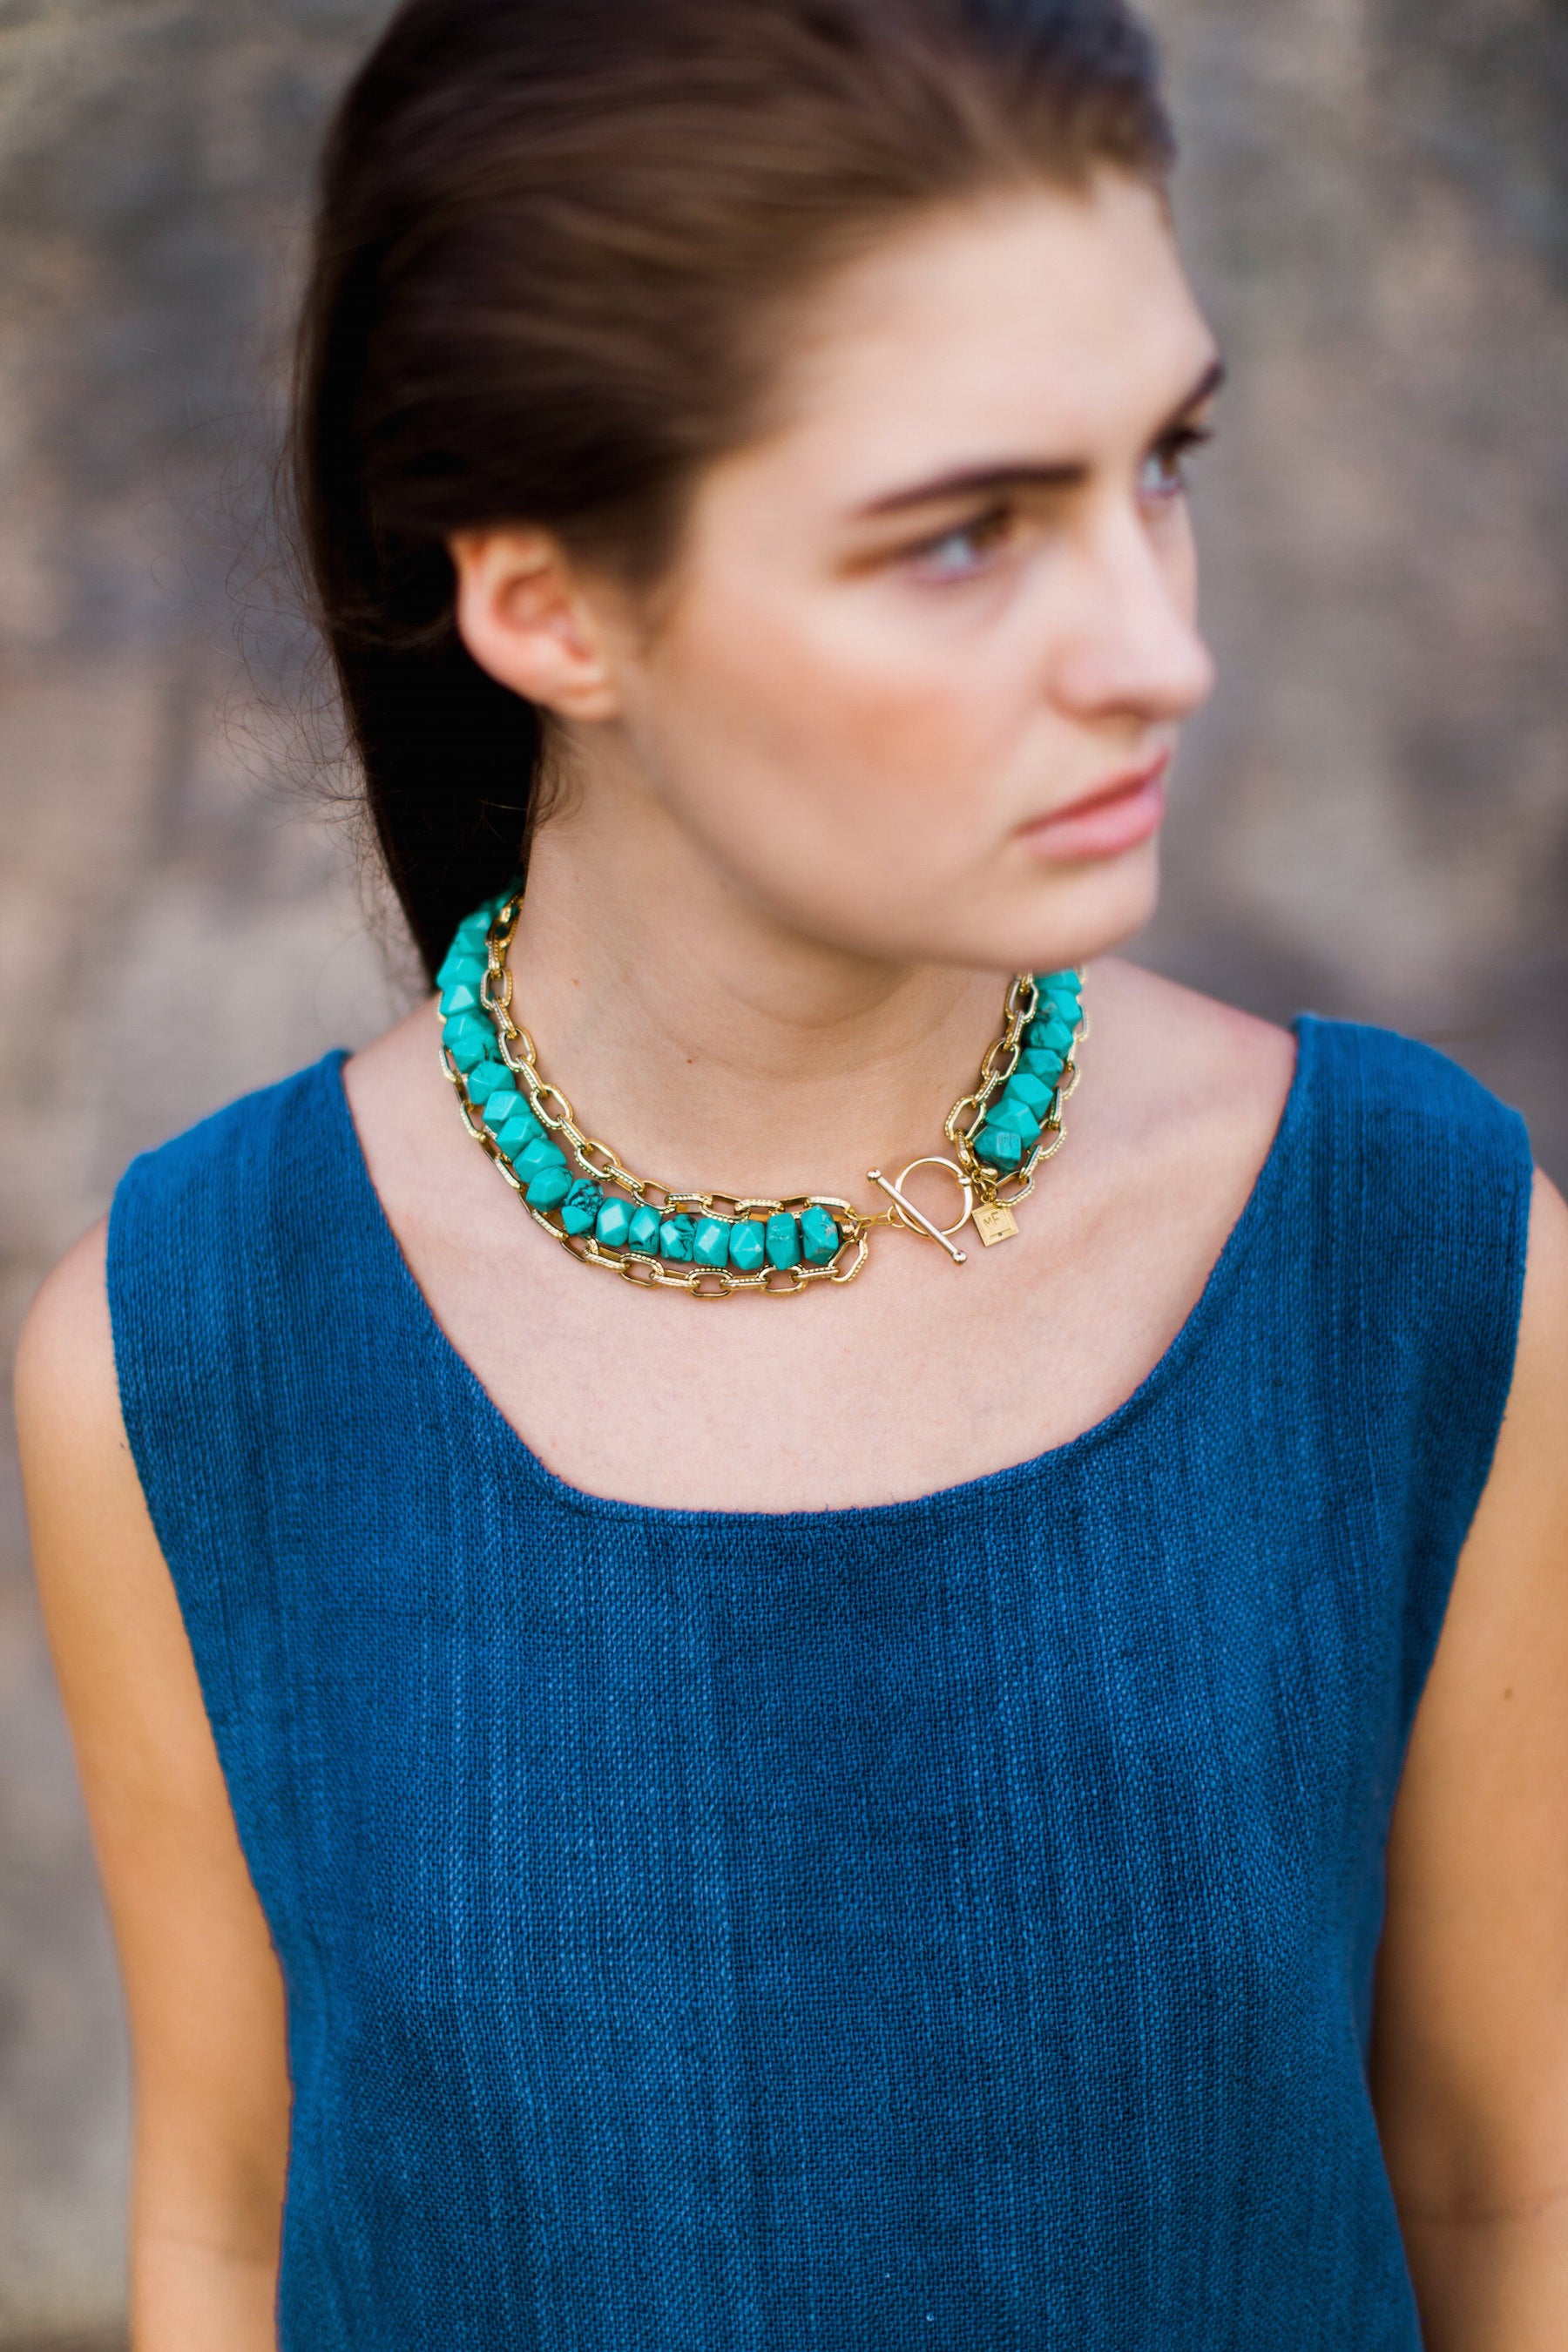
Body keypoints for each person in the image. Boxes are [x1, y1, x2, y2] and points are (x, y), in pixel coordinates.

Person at [15, 0, 1568, 2342]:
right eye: (964, 533)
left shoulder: (1417, 1260)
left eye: (1164, 460)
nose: (1161, 648)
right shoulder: (191, 1346)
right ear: (546, 602)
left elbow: (1504, 2200)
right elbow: (230, 2228)